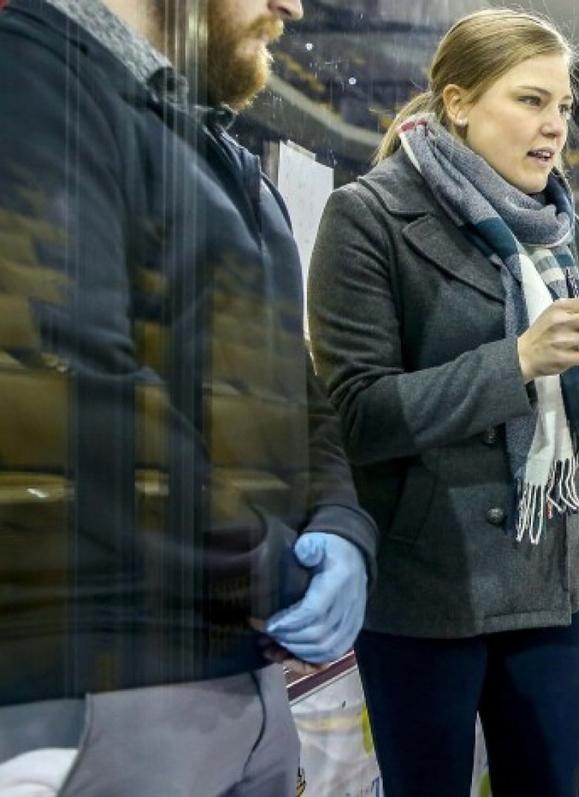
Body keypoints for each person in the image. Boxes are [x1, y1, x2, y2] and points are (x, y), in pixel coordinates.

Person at [0, 0, 377, 793]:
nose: (294, 7)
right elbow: (64, 384)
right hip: (104, 676)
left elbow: (295, 390)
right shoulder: (30, 73)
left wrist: (344, 525)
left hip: (246, 677)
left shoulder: (226, 159)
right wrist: (274, 569)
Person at [305, 10, 579, 797]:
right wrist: (515, 359)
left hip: (547, 584)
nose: (555, 127)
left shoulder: (562, 230)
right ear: (459, 101)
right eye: (531, 101)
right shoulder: (367, 217)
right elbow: (359, 414)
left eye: (565, 107)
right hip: (425, 591)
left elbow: (566, 404)